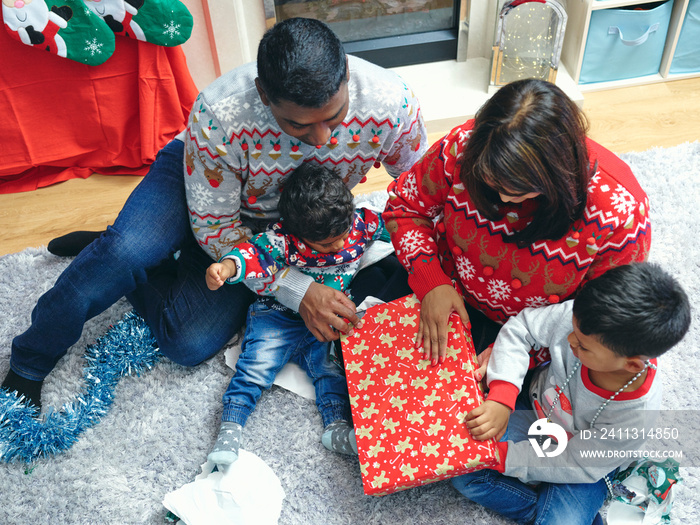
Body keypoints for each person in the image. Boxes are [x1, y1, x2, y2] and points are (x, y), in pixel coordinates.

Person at [1, 17, 427, 409]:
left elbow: (420, 196)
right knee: (125, 253)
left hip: (285, 224)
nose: (319, 139)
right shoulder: (220, 112)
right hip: (202, 186)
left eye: (333, 119)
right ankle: (30, 360)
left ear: (347, 75)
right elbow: (217, 231)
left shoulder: (393, 103)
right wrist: (297, 290)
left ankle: (140, 250)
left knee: (188, 342)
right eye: (297, 126)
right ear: (264, 94)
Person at [382, 78, 651, 364]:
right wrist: (431, 280)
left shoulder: (622, 214)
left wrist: (521, 352)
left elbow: (603, 316)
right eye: (490, 181)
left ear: (558, 172)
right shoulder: (462, 145)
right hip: (446, 291)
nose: (505, 198)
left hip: (539, 336)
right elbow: (405, 207)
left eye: (518, 190)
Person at [452, 262, 690, 525]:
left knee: (560, 519)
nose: (569, 341)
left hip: (585, 463)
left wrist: (508, 458)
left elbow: (578, 463)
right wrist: (502, 396)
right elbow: (521, 329)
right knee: (463, 468)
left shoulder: (635, 416)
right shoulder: (585, 321)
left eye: (583, 346)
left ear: (631, 364)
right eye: (573, 332)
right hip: (535, 412)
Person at [205, 163, 387, 465]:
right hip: (276, 315)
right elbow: (251, 255)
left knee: (333, 372)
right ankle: (230, 429)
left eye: (343, 235)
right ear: (297, 234)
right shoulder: (283, 240)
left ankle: (337, 427)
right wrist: (225, 268)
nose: (341, 245)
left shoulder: (361, 224)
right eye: (328, 244)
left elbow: (397, 226)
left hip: (327, 322)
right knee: (255, 368)